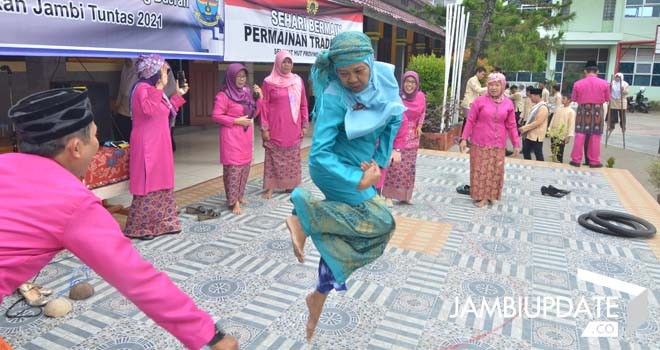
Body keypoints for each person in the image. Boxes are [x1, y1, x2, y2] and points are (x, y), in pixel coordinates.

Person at [0, 88, 238, 350]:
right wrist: (211, 336)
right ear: (76, 148)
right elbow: (137, 279)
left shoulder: (5, 164)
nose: (97, 143)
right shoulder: (73, 203)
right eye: (95, 135)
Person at [284, 31, 403, 342]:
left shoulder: (384, 78)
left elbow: (394, 119)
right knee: (382, 221)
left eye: (359, 71)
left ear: (370, 62)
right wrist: (355, 179)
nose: (352, 79)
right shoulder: (335, 97)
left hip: (361, 167)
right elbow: (320, 153)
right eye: (344, 73)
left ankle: (318, 294)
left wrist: (378, 160)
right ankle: (303, 214)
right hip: (332, 169)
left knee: (348, 237)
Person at [123, 54, 187, 240]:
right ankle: (140, 228)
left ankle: (165, 223)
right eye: (163, 71)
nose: (165, 75)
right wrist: (159, 88)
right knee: (148, 182)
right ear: (153, 72)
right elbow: (149, 110)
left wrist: (178, 95)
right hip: (147, 144)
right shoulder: (141, 89)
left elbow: (166, 110)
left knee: (162, 181)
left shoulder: (152, 89)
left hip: (160, 143)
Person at [459, 73, 520, 208]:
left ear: (503, 86)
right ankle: (481, 196)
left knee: (494, 170)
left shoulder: (508, 104)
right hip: (479, 142)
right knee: (480, 169)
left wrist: (516, 143)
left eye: (497, 85)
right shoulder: (480, 101)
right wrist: (463, 138)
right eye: (491, 85)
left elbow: (511, 125)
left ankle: (489, 196)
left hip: (498, 144)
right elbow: (470, 120)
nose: (493, 88)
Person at [211, 63, 262, 215]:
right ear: (231, 77)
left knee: (244, 168)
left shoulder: (246, 91)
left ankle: (239, 196)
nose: (241, 79)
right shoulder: (223, 95)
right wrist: (235, 121)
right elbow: (216, 115)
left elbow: (253, 112)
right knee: (233, 170)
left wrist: (259, 99)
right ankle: (233, 202)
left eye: (243, 76)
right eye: (238, 76)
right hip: (231, 137)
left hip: (245, 136)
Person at [260, 50, 309, 199]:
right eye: (284, 61)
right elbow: (264, 105)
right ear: (278, 63)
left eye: (289, 61)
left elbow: (303, 104)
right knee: (272, 156)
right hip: (275, 126)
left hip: (293, 126)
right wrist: (264, 127)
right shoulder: (269, 82)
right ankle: (270, 187)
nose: (287, 65)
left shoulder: (297, 81)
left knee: (292, 156)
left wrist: (305, 124)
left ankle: (291, 185)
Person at [381, 71, 426, 205]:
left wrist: (420, 125)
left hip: (413, 137)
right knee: (394, 166)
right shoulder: (397, 97)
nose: (409, 85)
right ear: (402, 82)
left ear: (417, 84)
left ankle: (405, 196)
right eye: (407, 81)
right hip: (398, 134)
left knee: (408, 167)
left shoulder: (420, 96)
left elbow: (423, 111)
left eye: (413, 82)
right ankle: (388, 196)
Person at [569, 60, 610, 168]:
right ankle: (594, 161)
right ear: (597, 71)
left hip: (582, 111)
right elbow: (607, 99)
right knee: (595, 136)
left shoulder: (577, 84)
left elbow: (573, 99)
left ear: (585, 71)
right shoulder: (605, 84)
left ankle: (576, 160)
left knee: (580, 135)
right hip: (597, 111)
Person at [519, 87, 549, 161]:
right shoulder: (536, 105)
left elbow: (537, 122)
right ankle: (528, 165)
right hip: (530, 134)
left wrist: (525, 128)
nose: (531, 98)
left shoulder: (543, 107)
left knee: (538, 154)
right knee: (526, 151)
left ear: (537, 96)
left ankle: (541, 168)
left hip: (537, 136)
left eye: (532, 96)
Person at [112, 58, 138, 141]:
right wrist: (117, 104)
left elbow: (127, 90)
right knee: (122, 136)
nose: (126, 61)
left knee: (131, 137)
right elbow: (122, 87)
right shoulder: (125, 69)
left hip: (134, 111)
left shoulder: (138, 72)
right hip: (123, 109)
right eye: (125, 59)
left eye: (129, 60)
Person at [548, 93, 576, 163]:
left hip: (562, 135)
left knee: (560, 152)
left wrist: (569, 136)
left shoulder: (571, 112)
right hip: (554, 132)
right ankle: (554, 162)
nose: (562, 100)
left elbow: (571, 125)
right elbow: (553, 119)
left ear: (569, 100)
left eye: (564, 98)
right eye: (562, 98)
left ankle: (559, 164)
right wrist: (549, 128)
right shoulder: (558, 108)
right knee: (553, 149)